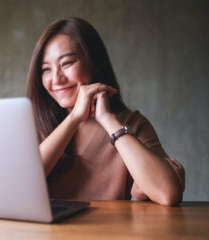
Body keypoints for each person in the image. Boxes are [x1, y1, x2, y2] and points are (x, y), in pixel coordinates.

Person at [25, 17, 185, 206]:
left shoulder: (132, 123)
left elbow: (167, 193)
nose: (56, 79)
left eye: (66, 63)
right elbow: (17, 184)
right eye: (45, 69)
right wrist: (75, 118)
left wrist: (108, 120)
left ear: (93, 62)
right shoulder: (31, 125)